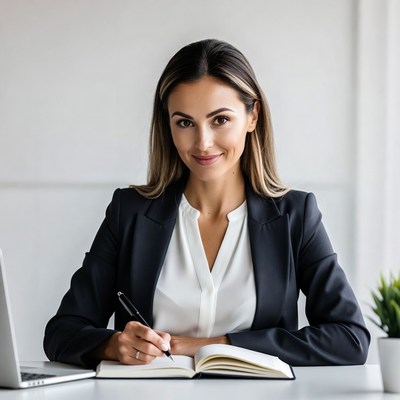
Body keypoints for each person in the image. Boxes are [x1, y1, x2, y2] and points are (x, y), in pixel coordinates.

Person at [44, 39, 370, 368]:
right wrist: (113, 345)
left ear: (252, 116)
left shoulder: (296, 216)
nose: (202, 143)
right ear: (168, 124)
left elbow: (350, 339)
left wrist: (213, 345)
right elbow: (61, 333)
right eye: (185, 123)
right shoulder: (129, 212)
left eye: (220, 120)